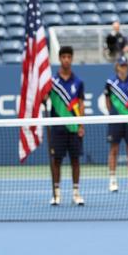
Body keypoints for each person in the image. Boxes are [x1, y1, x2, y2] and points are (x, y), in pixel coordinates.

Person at [48, 46, 85, 206]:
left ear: (72, 58)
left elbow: (81, 104)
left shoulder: (78, 82)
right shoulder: (51, 82)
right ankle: (56, 194)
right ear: (59, 59)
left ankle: (76, 193)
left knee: (75, 160)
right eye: (63, 57)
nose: (66, 60)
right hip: (57, 127)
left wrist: (81, 125)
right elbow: (43, 99)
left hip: (74, 127)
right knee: (56, 160)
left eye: (69, 57)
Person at [104, 55, 128, 192]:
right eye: (121, 65)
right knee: (114, 150)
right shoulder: (110, 83)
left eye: (125, 66)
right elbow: (107, 102)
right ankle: (113, 181)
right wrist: (113, 114)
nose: (123, 68)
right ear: (117, 67)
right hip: (115, 121)